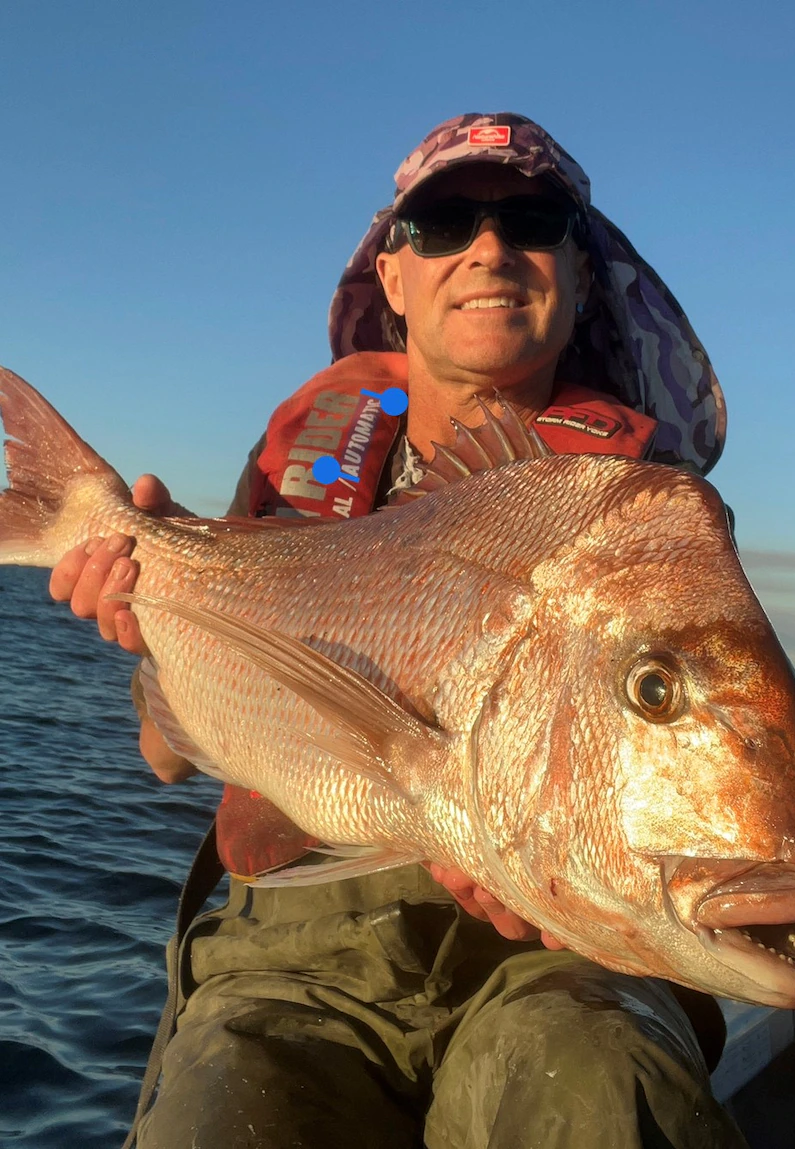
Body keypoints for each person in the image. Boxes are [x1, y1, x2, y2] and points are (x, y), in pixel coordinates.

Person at [51, 112, 746, 1148]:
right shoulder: (292, 483)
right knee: (218, 1109)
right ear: (391, 275)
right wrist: (151, 625)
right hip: (293, 966)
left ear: (584, 278)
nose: (489, 248)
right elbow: (166, 759)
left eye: (533, 219)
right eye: (442, 221)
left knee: (601, 1093)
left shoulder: (632, 523)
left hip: (560, 960)